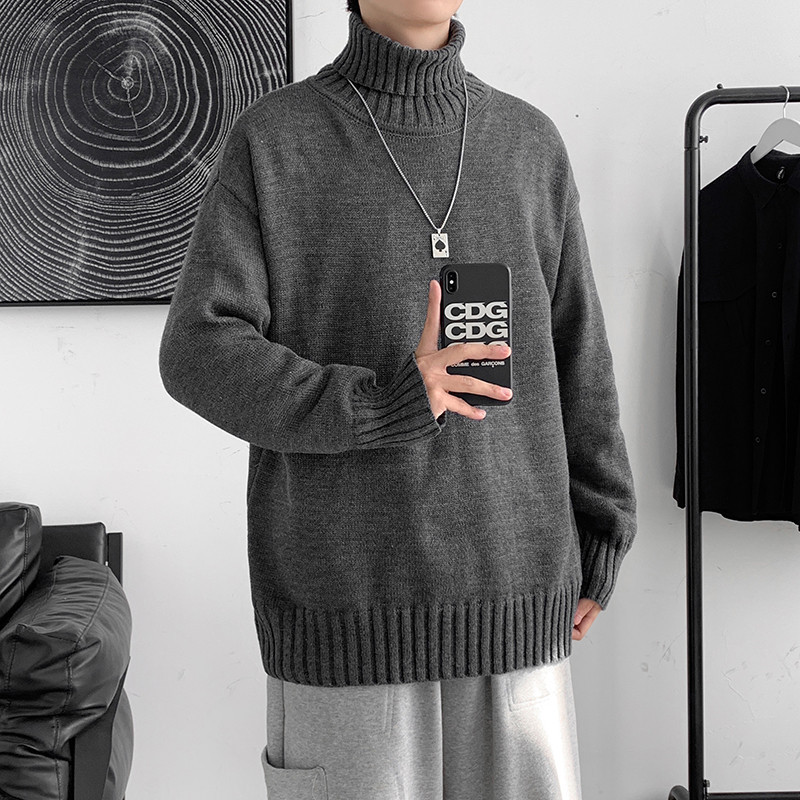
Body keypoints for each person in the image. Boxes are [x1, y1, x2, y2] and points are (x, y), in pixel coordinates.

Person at [159, 1, 638, 797]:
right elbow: (197, 350)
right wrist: (380, 403)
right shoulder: (274, 139)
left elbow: (578, 349)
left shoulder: (528, 143)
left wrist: (606, 525)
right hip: (345, 617)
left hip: (518, 602)